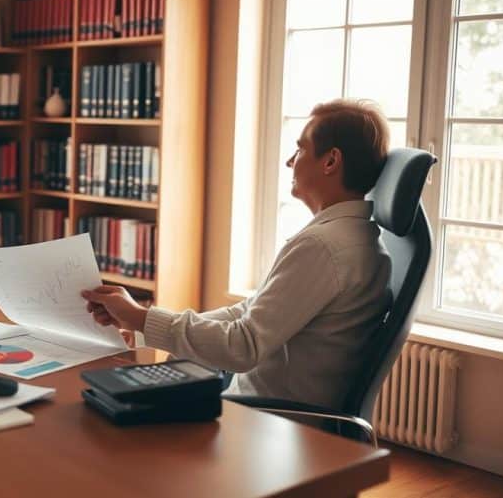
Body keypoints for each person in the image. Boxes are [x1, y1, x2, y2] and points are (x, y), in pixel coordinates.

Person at [82, 99, 392, 410]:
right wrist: (141, 322)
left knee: (105, 411)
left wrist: (141, 317)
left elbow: (242, 346)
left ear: (330, 161)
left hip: (266, 423)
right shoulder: (352, 239)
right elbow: (248, 311)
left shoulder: (322, 247)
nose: (289, 161)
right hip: (257, 407)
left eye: (299, 150)